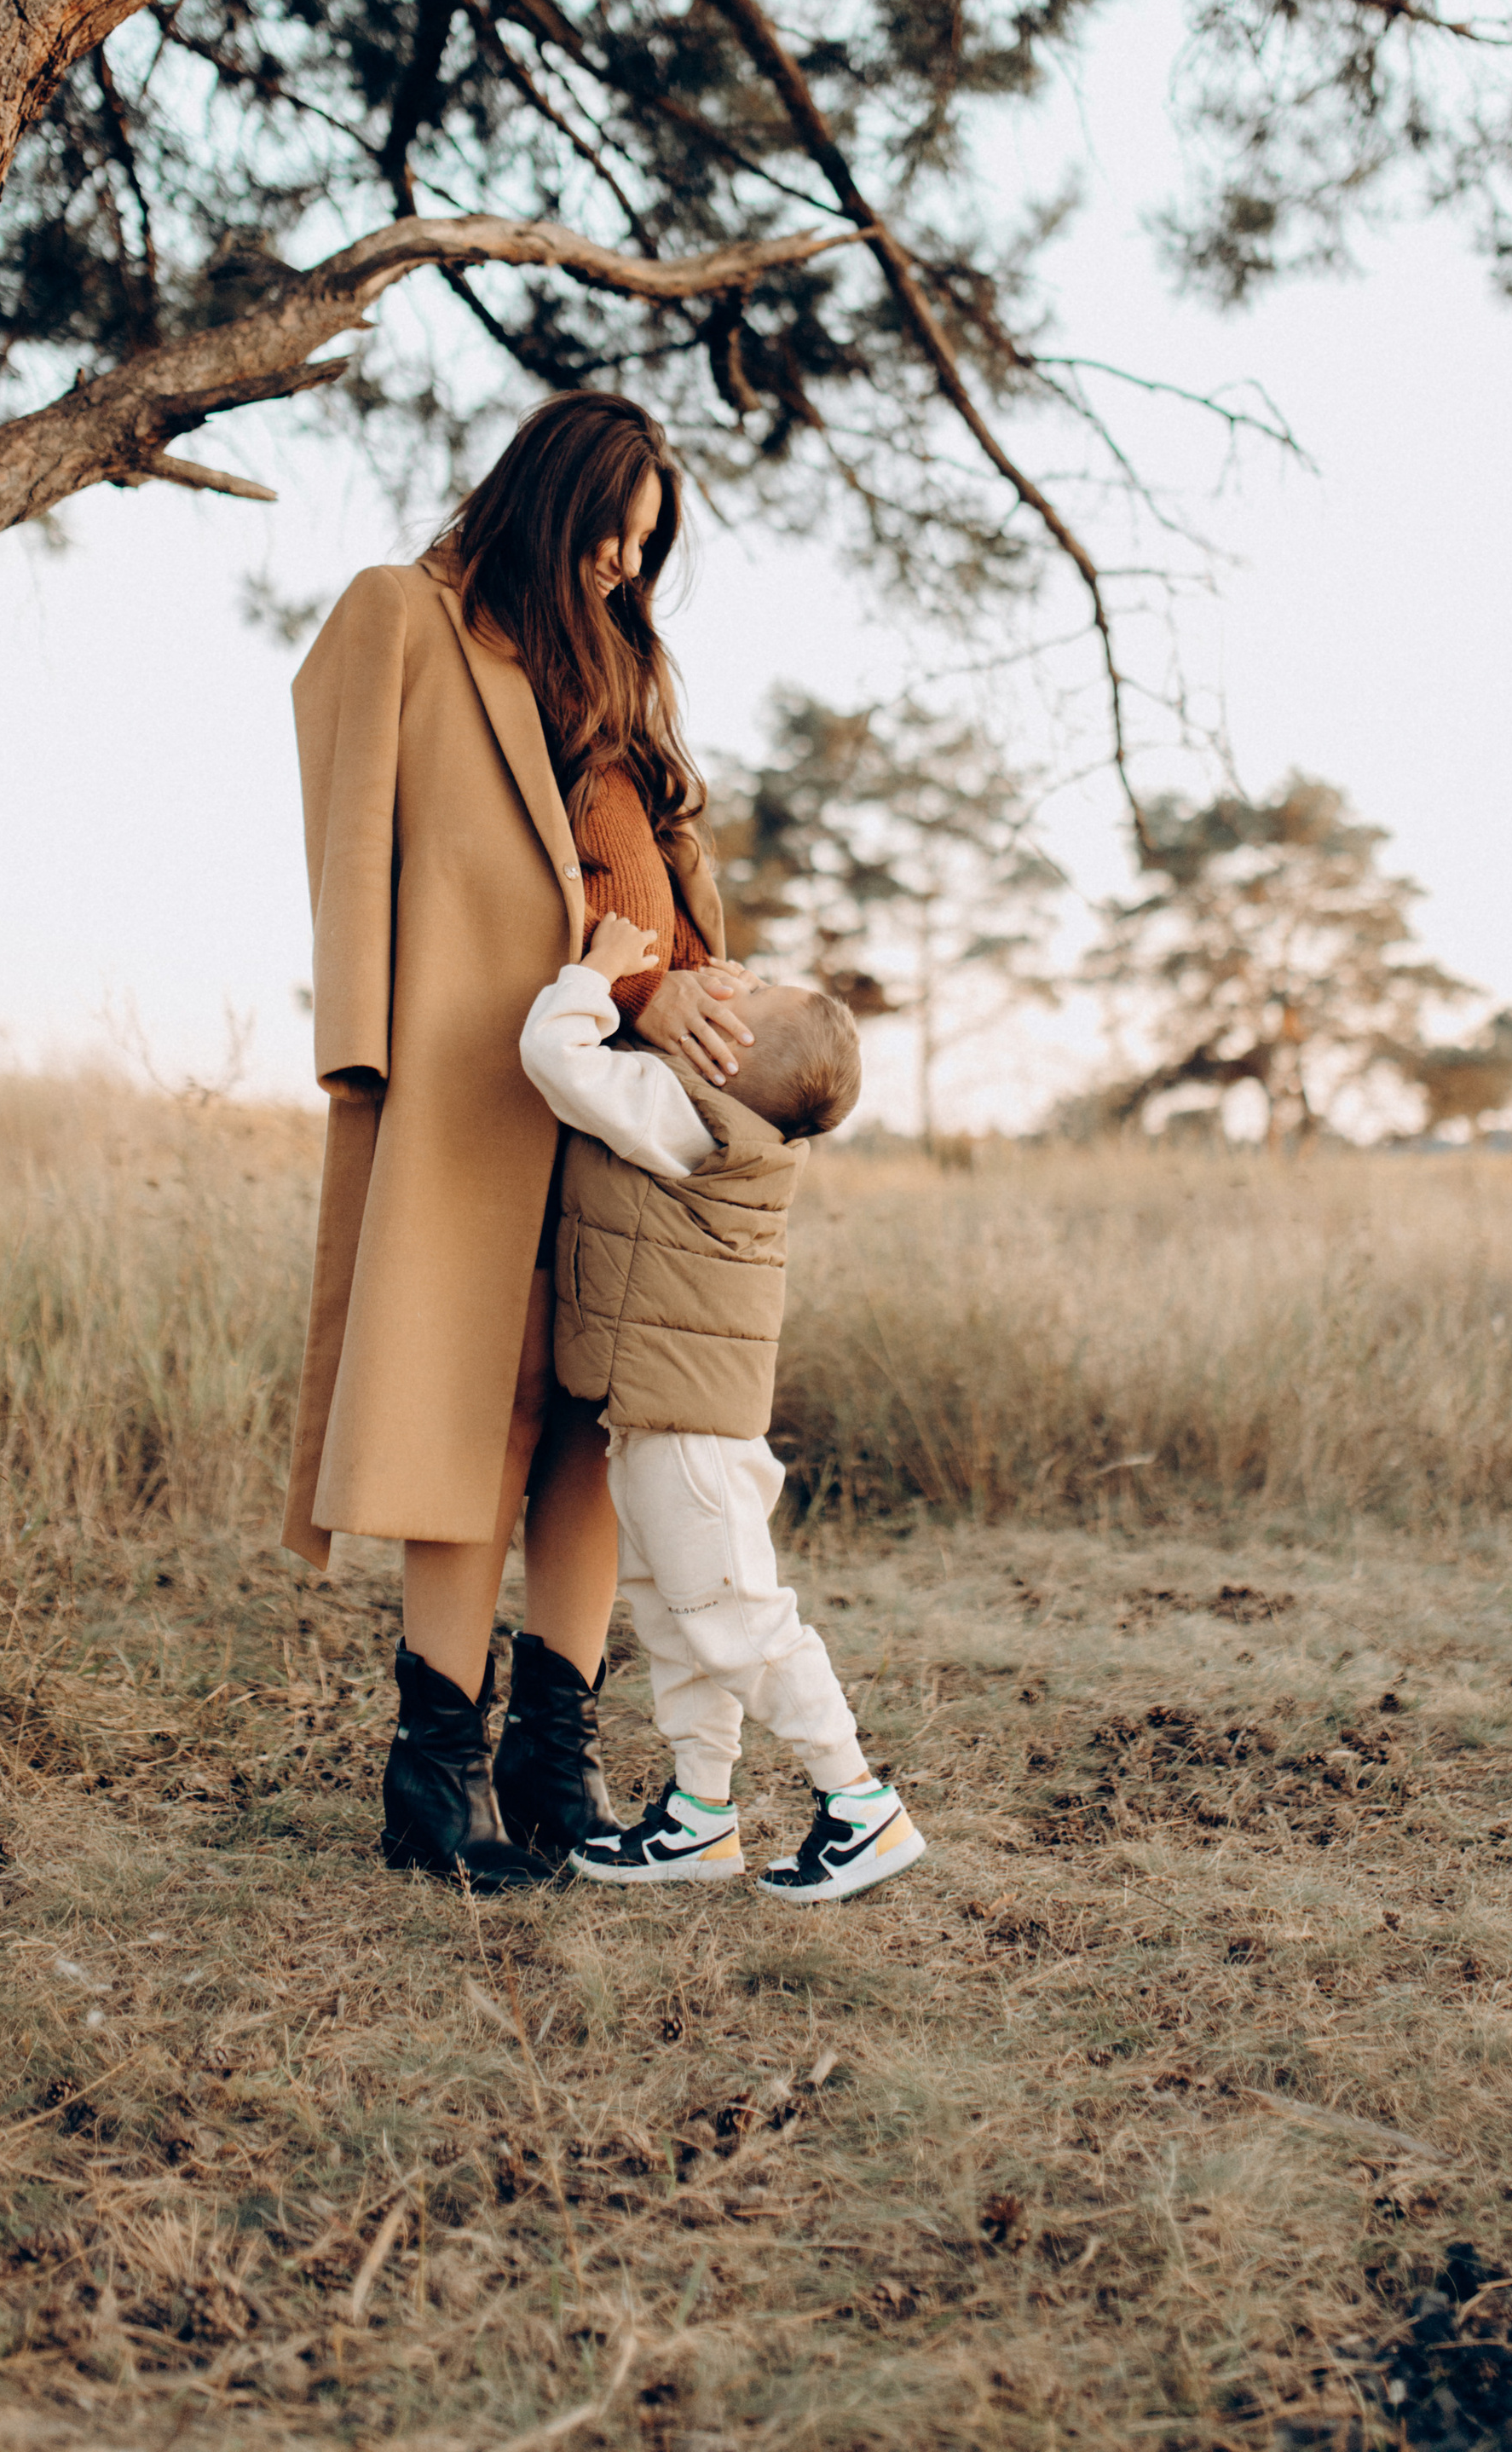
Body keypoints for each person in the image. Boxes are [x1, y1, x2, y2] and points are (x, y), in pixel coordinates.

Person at [280, 393, 756, 1887]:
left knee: (593, 1421)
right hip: (474, 1081)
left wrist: (685, 996)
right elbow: (350, 827)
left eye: (645, 547)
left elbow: (657, 868)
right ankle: (434, 1780)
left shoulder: (616, 667)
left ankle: (556, 1768)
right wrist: (365, 1053)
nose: (622, 567)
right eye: (609, 533)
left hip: (624, 1087)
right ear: (548, 501)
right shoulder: (400, 615)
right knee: (470, 1417)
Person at [515, 911, 928, 1904]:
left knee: (739, 1624)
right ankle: (698, 1818)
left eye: (748, 997)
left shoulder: (684, 1113)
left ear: (726, 1060)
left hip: (689, 1440)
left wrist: (601, 971)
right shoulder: (735, 1120)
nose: (729, 985)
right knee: (675, 1619)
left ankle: (858, 1803)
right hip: (663, 1422)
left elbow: (553, 1055)